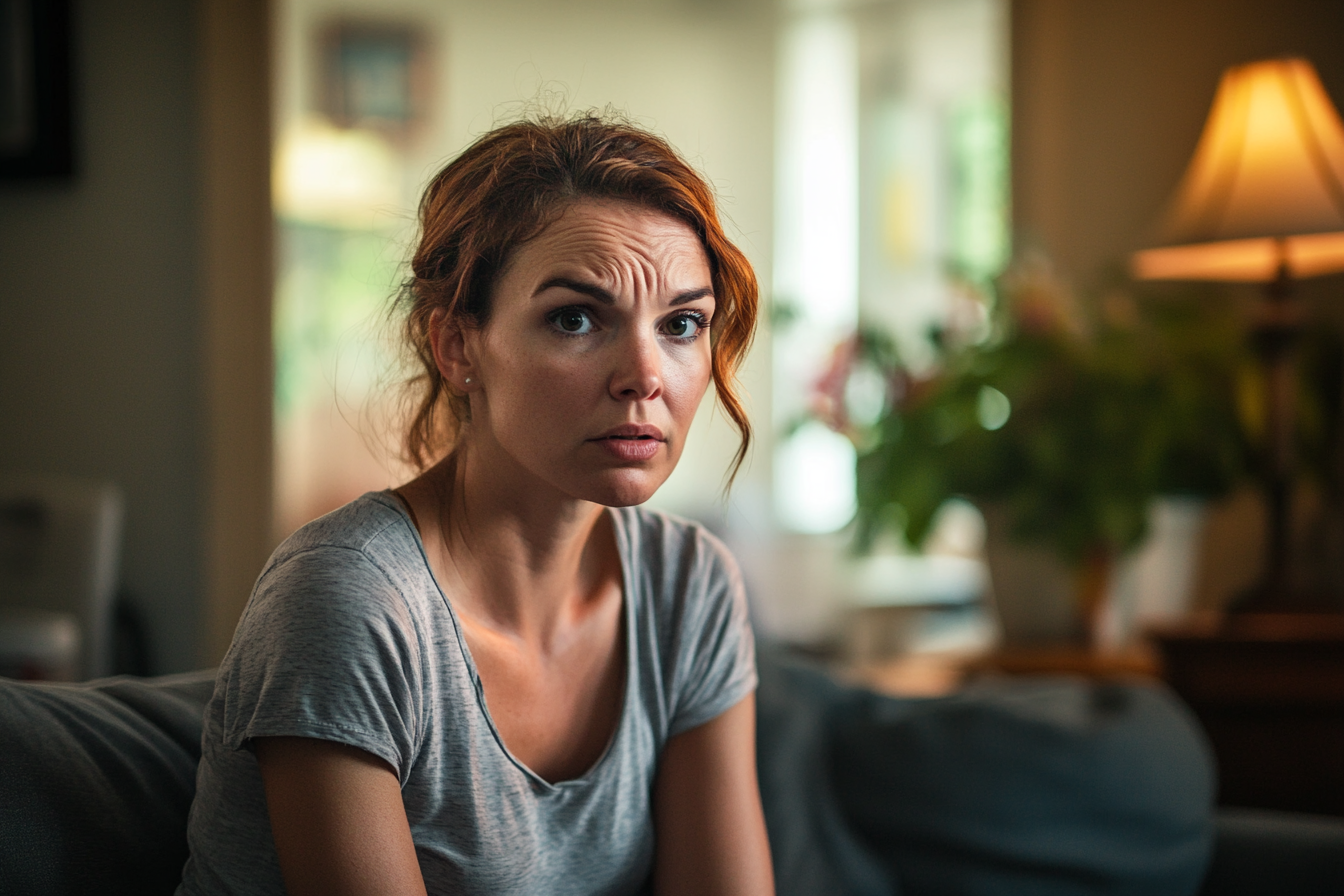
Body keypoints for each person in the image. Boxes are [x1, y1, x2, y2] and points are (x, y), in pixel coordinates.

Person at [177, 113, 774, 896]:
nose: (644, 375)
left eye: (682, 324)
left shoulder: (689, 586)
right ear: (458, 346)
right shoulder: (349, 599)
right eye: (576, 318)